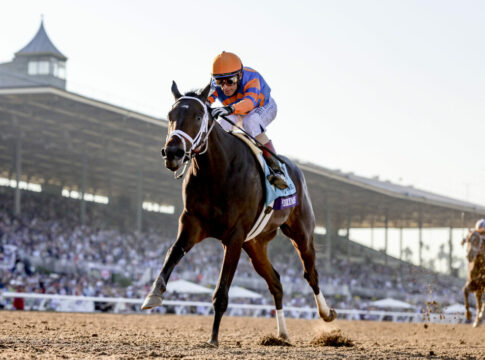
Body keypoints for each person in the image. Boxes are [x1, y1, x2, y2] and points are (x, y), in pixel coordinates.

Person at [208, 51, 288, 189]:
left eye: (230, 81)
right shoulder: (216, 83)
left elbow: (249, 104)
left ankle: (277, 169)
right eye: (219, 81)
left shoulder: (252, 78)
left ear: (239, 76)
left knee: (251, 121)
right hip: (236, 109)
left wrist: (228, 109)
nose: (225, 87)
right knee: (222, 125)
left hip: (262, 106)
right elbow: (206, 100)